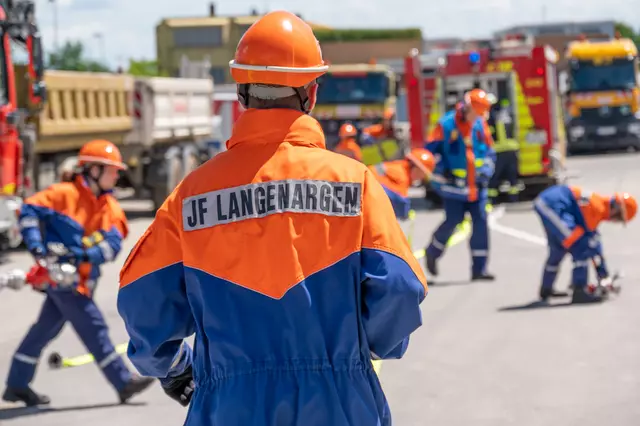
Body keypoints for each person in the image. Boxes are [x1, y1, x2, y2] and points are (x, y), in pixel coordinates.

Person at [117, 11, 427, 426]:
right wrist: (364, 348)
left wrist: (175, 368)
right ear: (311, 94)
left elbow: (143, 304)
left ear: (241, 94)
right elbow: (401, 288)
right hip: (338, 400)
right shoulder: (356, 183)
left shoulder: (191, 195)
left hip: (229, 405)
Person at [2, 140, 154, 406]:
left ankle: (16, 383)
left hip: (81, 278)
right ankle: (122, 381)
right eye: (112, 170)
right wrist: (37, 247)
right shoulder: (63, 194)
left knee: (44, 330)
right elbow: (28, 211)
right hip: (63, 282)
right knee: (93, 326)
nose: (117, 175)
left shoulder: (110, 208)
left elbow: (113, 246)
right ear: (93, 170)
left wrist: (84, 255)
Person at [424, 89, 497, 281]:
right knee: (453, 221)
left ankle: (479, 269)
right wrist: (442, 168)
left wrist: (486, 171)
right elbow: (430, 153)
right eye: (476, 114)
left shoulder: (481, 124)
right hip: (453, 188)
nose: (478, 118)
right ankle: (433, 252)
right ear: (466, 108)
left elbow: (489, 152)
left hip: (477, 187)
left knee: (481, 223)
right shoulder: (446, 125)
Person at [533, 185, 637, 303]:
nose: (615, 221)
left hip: (552, 204)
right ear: (616, 209)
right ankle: (579, 289)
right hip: (551, 205)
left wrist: (603, 274)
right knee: (580, 245)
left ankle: (546, 288)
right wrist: (603, 275)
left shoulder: (598, 205)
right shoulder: (597, 209)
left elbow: (594, 241)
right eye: (618, 218)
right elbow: (591, 244)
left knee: (558, 249)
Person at [369, 148, 435, 220]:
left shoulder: (398, 167)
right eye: (423, 174)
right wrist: (406, 214)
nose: (421, 178)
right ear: (416, 168)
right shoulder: (402, 176)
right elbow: (401, 202)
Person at [487, 98, 520, 204]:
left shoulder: (490, 116)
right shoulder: (507, 113)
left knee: (494, 176)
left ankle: (493, 200)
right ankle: (514, 198)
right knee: (512, 177)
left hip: (499, 150)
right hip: (512, 149)